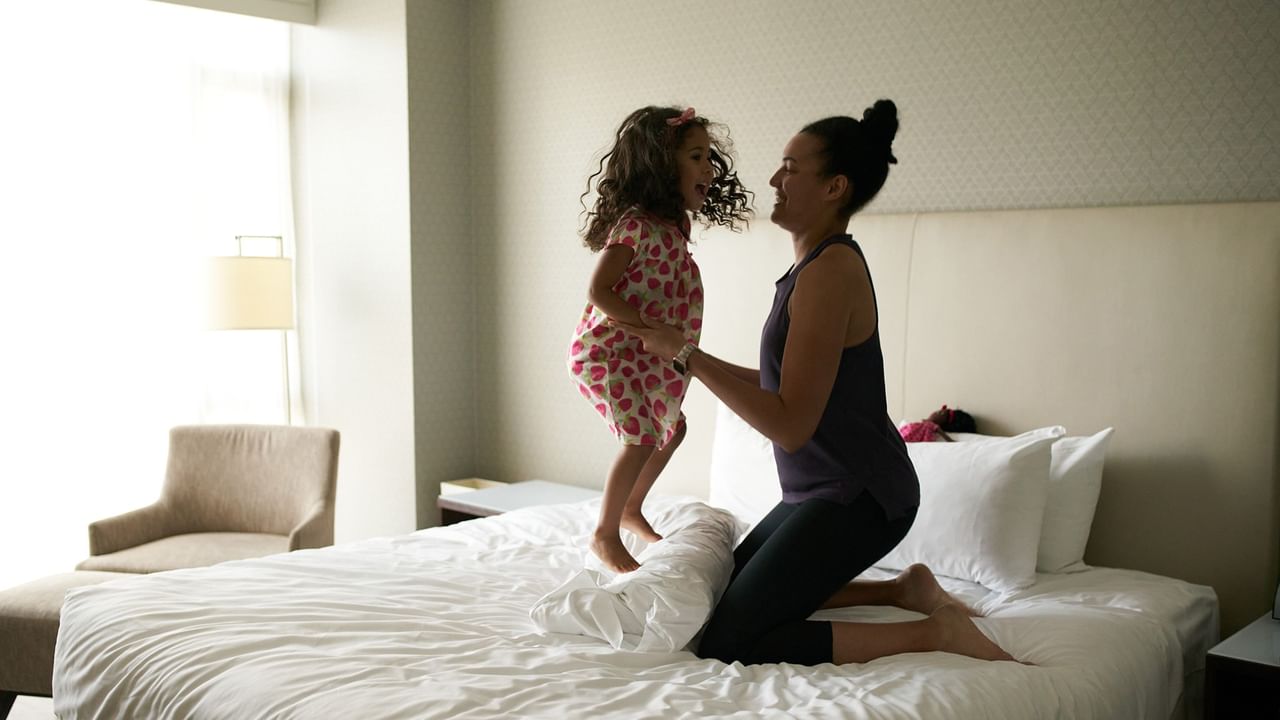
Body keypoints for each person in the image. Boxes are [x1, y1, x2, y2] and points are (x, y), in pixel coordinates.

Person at [625, 100, 1018, 664]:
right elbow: (782, 381)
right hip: (820, 491)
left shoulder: (831, 272)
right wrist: (687, 358)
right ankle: (902, 591)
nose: (774, 180)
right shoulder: (809, 270)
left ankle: (938, 633)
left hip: (861, 497)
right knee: (724, 594)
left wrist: (687, 355)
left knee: (731, 640)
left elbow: (790, 425)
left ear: (834, 188)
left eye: (790, 168)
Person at [567, 105, 752, 573]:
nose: (708, 169)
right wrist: (649, 328)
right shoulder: (634, 226)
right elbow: (598, 290)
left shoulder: (676, 227)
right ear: (661, 165)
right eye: (696, 157)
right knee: (641, 437)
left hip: (643, 354)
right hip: (607, 353)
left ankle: (631, 509)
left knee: (674, 429)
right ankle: (604, 533)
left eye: (709, 158)